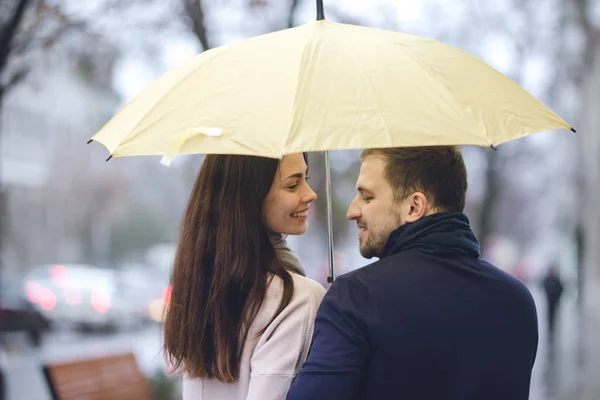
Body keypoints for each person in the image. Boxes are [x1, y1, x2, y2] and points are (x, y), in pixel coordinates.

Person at [287, 146, 539, 400]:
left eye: (367, 197)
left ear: (414, 206)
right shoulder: (517, 300)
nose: (352, 211)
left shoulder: (357, 297)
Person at [164, 153, 326, 400]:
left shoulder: (200, 286)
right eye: (293, 184)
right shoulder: (297, 297)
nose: (310, 193)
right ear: (250, 195)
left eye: (306, 178)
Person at [542, 265, 564, 336]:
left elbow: (561, 288)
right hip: (549, 299)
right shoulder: (547, 279)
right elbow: (543, 286)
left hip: (554, 299)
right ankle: (550, 325)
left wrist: (558, 297)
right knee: (549, 312)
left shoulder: (556, 279)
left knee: (554, 313)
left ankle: (553, 325)